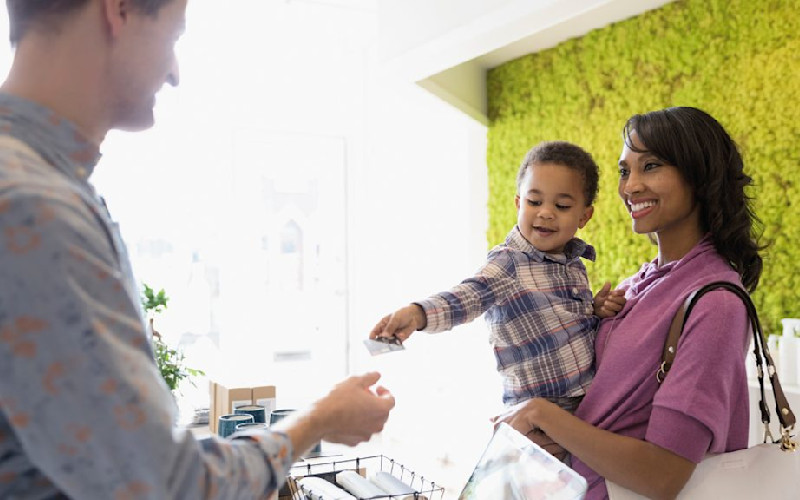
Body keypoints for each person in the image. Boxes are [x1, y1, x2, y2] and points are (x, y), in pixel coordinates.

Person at [0, 1, 394, 498]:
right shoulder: (35, 209)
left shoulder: (40, 184)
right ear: (118, 10)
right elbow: (167, 485)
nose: (175, 73)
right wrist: (318, 421)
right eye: (174, 35)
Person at [493, 106, 762, 499]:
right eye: (624, 170)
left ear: (699, 175)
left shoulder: (715, 303)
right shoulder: (634, 286)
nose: (630, 186)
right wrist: (540, 428)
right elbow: (598, 413)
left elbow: (662, 474)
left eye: (651, 166)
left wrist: (541, 413)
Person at [371, 141, 608, 411]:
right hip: (538, 413)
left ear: (584, 216)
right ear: (519, 203)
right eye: (534, 201)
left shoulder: (575, 264)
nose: (545, 212)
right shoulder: (509, 263)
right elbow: (466, 297)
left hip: (589, 402)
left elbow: (570, 324)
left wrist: (595, 311)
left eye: (562, 206)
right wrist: (417, 313)